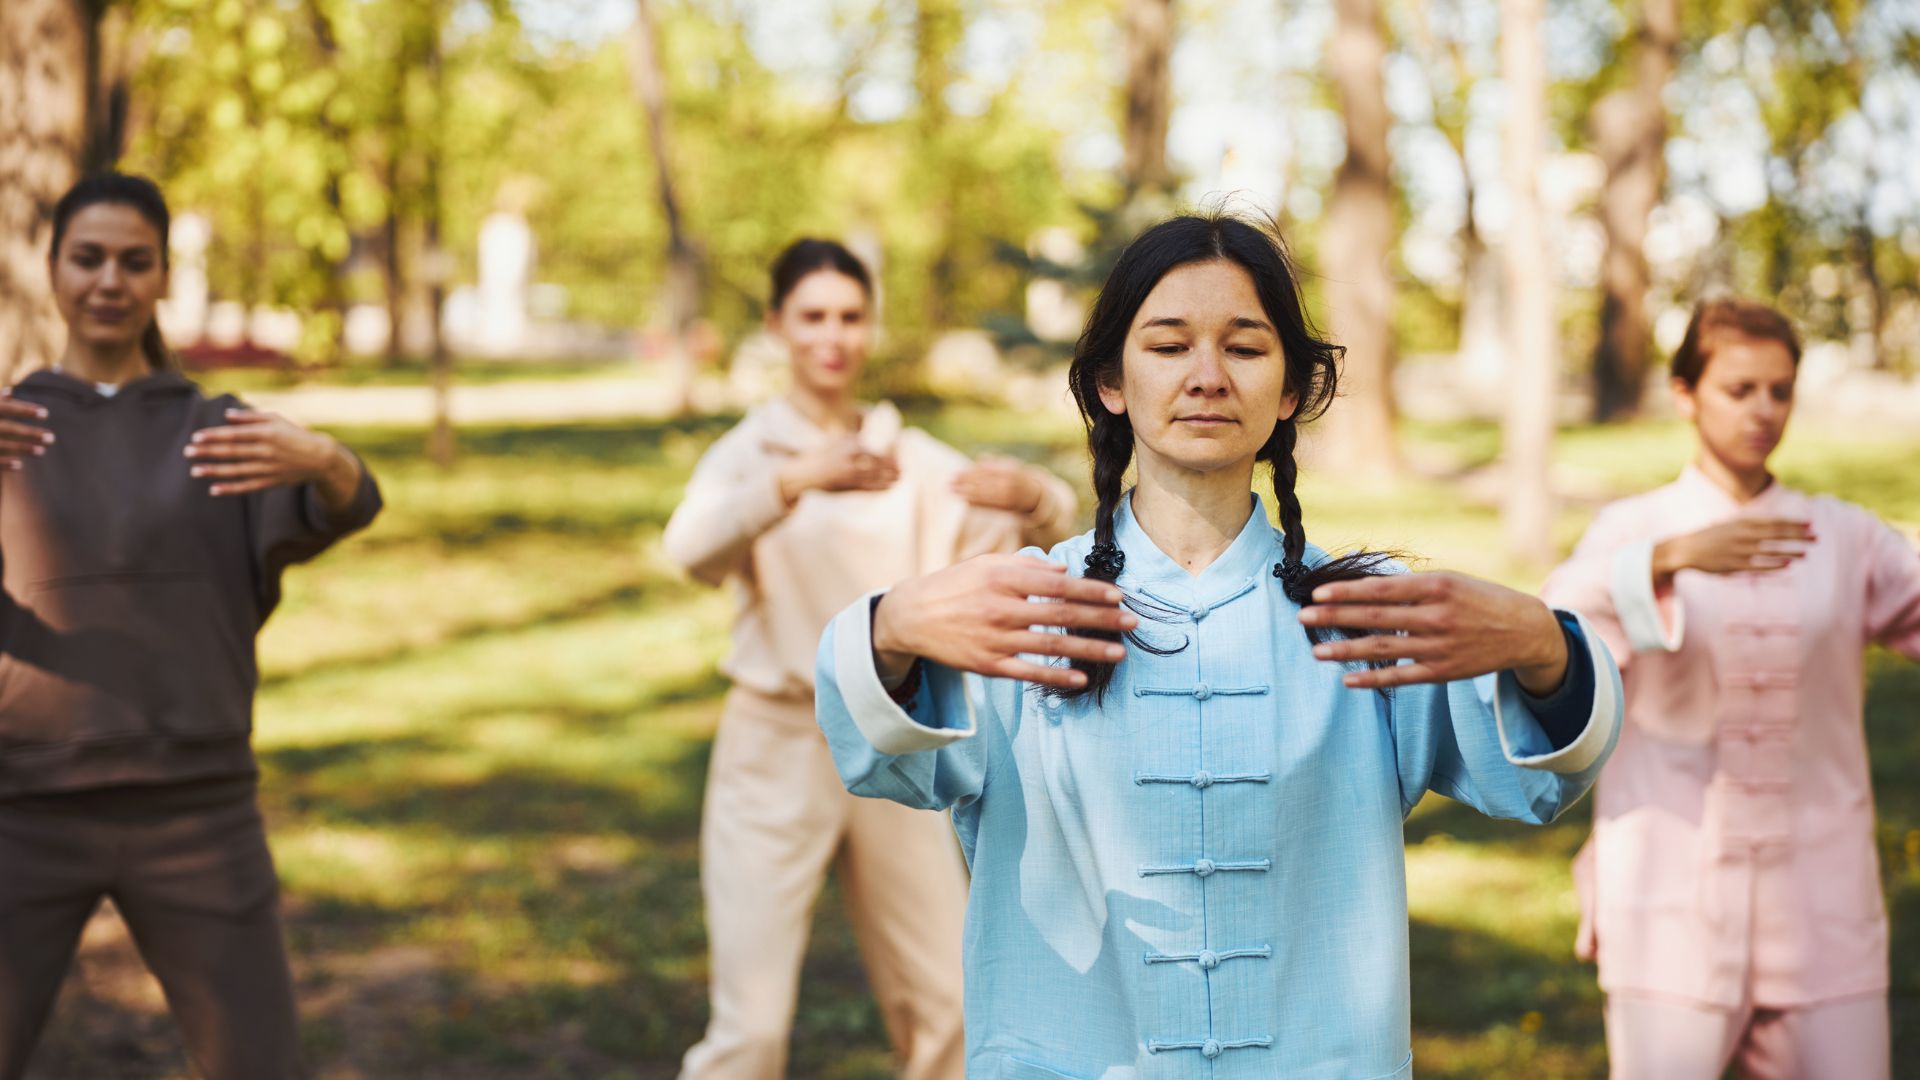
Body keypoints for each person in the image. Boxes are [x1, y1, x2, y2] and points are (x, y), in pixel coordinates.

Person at [811, 213, 1623, 1078]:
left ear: (1289, 391)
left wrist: (1544, 648)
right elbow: (876, 757)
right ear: (1110, 381)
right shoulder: (1027, 604)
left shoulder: (1365, 614)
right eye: (1167, 346)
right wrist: (889, 630)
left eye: (1244, 347)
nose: (1206, 377)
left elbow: (1538, 783)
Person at [662, 238, 1077, 1079]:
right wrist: (793, 482)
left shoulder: (912, 457)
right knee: (752, 1029)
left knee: (949, 1010)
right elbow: (691, 550)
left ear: (870, 326)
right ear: (777, 324)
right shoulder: (752, 453)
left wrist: (1038, 496)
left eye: (850, 317)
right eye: (812, 316)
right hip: (773, 743)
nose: (832, 337)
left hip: (894, 739)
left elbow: (1039, 545)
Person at [0, 172, 381, 1079]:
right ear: (51, 269)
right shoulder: (9, 430)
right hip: (22, 809)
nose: (109, 282)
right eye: (87, 259)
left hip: (197, 810)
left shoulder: (219, 434)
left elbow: (350, 504)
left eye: (135, 262)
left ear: (164, 275)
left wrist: (328, 458)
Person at [1542, 298, 1917, 1080]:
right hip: (1670, 903)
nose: (1765, 411)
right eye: (1740, 390)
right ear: (1685, 395)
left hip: (1825, 908)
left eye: (1780, 391)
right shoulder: (1631, 528)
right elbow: (1552, 633)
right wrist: (1666, 560)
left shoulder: (1841, 536)